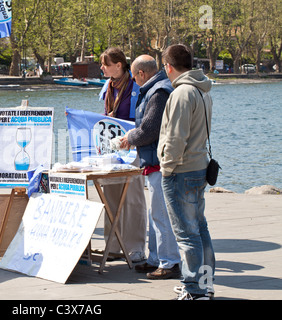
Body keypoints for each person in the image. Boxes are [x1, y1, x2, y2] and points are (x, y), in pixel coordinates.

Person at [158, 44, 215, 299]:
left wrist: (167, 168)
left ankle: (194, 290)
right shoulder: (203, 90)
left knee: (186, 233)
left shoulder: (182, 93)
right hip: (198, 166)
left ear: (168, 66)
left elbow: (176, 138)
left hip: (181, 170)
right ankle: (204, 285)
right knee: (199, 228)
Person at [120, 55, 181, 279]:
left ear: (141, 74)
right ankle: (156, 258)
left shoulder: (157, 93)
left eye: (134, 76)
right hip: (156, 161)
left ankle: (169, 262)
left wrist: (129, 137)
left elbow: (149, 130)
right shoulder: (160, 88)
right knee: (156, 213)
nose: (134, 81)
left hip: (159, 163)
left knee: (161, 215)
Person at [99, 47, 147, 263]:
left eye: (105, 64)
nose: (101, 68)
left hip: (132, 146)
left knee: (133, 196)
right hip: (112, 146)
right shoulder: (108, 86)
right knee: (110, 195)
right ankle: (114, 244)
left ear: (119, 65)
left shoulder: (136, 86)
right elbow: (105, 116)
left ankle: (136, 246)